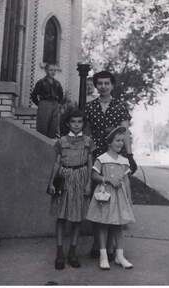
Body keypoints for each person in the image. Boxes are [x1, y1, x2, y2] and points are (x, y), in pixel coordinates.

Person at [85, 70, 137, 259]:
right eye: (100, 83)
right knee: (98, 199)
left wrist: (130, 155)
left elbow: (125, 133)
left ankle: (113, 245)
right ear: (96, 85)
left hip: (117, 158)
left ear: (112, 85)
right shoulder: (90, 107)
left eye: (107, 83)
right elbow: (88, 134)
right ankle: (97, 244)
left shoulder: (120, 106)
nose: (103, 86)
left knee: (116, 200)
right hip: (99, 158)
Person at [47, 109, 95, 269]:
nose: (76, 125)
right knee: (61, 217)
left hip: (81, 178)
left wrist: (89, 183)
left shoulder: (88, 141)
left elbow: (90, 163)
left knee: (77, 217)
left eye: (79, 122)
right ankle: (60, 252)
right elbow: (57, 163)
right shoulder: (61, 141)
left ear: (83, 123)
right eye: (73, 121)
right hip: (64, 178)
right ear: (68, 123)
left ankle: (73, 251)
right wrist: (52, 182)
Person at [87, 126, 135, 270]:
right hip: (105, 196)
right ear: (109, 142)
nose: (120, 143)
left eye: (122, 141)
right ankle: (103, 256)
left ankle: (119, 256)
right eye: (117, 140)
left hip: (119, 197)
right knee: (103, 224)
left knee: (118, 226)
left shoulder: (124, 161)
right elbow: (94, 175)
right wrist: (106, 179)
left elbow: (126, 181)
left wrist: (129, 198)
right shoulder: (102, 159)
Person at [31, 63, 64, 138]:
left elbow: (61, 95)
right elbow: (33, 95)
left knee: (53, 126)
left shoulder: (57, 84)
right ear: (46, 71)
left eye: (54, 70)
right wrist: (40, 104)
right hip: (44, 104)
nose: (53, 72)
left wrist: (58, 104)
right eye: (51, 70)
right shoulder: (41, 82)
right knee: (43, 127)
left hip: (55, 105)